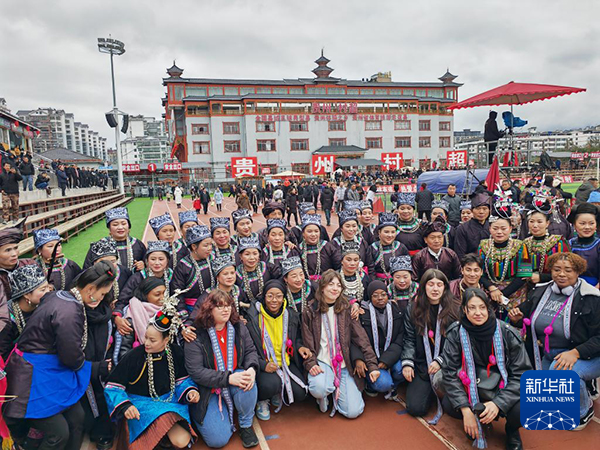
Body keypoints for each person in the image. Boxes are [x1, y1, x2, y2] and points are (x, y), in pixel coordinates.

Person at [4, 262, 117, 450]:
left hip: (47, 372)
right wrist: (96, 367)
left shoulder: (62, 296)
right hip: (34, 376)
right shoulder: (69, 310)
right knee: (59, 433)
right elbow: (71, 358)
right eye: (103, 293)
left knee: (78, 418)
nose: (103, 298)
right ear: (90, 289)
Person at [509, 252, 600, 429]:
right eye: (557, 269)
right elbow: (526, 316)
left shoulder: (591, 298)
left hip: (587, 354)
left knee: (564, 375)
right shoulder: (541, 291)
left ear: (578, 272)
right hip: (551, 353)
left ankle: (584, 408)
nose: (561, 274)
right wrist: (516, 318)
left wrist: (575, 353)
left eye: (568, 270)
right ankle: (582, 384)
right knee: (545, 402)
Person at [443, 288, 530, 450]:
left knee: (525, 408)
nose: (478, 313)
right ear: (464, 310)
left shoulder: (507, 333)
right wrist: (465, 410)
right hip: (471, 386)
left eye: (482, 307)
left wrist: (498, 403)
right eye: (472, 308)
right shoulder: (456, 333)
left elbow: (523, 374)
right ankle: (477, 417)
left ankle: (511, 430)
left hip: (502, 387)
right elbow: (448, 373)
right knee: (450, 405)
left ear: (489, 309)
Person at [105, 304, 199, 450]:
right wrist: (125, 405)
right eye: (146, 338)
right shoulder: (133, 357)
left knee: (182, 440)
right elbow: (113, 387)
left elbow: (182, 380)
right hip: (141, 404)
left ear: (166, 340)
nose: (147, 343)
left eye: (153, 340)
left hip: (170, 402)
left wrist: (190, 392)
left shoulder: (176, 352)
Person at [184, 289, 260, 448]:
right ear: (209, 309)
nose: (225, 309)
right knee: (218, 441)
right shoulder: (195, 333)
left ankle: (245, 425)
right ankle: (210, 413)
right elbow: (196, 371)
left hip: (234, 377)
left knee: (247, 380)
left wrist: (252, 369)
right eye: (219, 306)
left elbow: (251, 351)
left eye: (228, 305)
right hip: (208, 389)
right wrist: (227, 379)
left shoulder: (238, 326)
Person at [302, 270, 380, 418]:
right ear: (322, 287)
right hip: (322, 361)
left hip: (343, 363)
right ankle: (324, 392)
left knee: (353, 412)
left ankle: (336, 389)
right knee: (319, 388)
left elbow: (361, 338)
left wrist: (372, 365)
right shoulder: (310, 310)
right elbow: (307, 341)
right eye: (331, 284)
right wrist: (311, 363)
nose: (335, 288)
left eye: (338, 285)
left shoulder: (347, 308)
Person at [245, 279, 310, 420]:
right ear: (264, 297)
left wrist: (300, 347)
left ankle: (278, 390)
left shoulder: (290, 315)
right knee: (270, 385)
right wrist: (263, 365)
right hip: (263, 363)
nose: (274, 300)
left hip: (285, 362)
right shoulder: (253, 317)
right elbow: (248, 348)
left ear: (284, 297)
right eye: (270, 296)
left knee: (300, 393)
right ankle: (263, 399)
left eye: (279, 296)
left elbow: (297, 337)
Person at [401, 269, 459, 421]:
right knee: (415, 408)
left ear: (445, 288)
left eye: (439, 285)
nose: (435, 289)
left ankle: (444, 391)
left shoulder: (455, 309)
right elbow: (409, 339)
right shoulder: (413, 309)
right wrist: (407, 362)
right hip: (424, 365)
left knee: (453, 406)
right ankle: (428, 390)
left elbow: (458, 344)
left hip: (449, 363)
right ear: (423, 287)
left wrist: (441, 360)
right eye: (431, 284)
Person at [478, 192, 526, 317]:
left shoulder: (520, 245)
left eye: (503, 229)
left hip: (515, 294)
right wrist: (492, 288)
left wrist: (503, 294)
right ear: (489, 229)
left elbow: (524, 274)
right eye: (495, 228)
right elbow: (479, 271)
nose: (499, 232)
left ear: (510, 229)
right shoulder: (483, 245)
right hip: (490, 293)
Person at [359, 280, 405, 398]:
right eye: (375, 295)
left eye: (383, 294)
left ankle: (393, 384)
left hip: (390, 355)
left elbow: (399, 339)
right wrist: (374, 363)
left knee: (402, 370)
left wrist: (386, 360)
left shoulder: (395, 310)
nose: (380, 298)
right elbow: (361, 342)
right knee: (383, 384)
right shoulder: (362, 313)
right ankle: (371, 383)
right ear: (369, 297)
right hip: (372, 358)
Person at [516, 193, 570, 289]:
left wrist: (542, 277)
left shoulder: (558, 242)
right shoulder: (525, 243)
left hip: (555, 286)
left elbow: (566, 269)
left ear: (547, 223)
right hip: (529, 288)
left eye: (539, 222)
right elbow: (523, 271)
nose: (535, 225)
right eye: (531, 221)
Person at [0, 265, 53, 361]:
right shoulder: (6, 319)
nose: (48, 291)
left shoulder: (44, 304)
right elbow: (4, 355)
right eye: (43, 289)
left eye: (47, 287)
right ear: (27, 295)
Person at [112, 276, 167, 362]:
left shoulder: (165, 312)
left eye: (164, 293)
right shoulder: (131, 316)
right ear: (145, 295)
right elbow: (124, 351)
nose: (162, 298)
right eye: (157, 294)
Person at [116, 241, 173, 322]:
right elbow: (123, 300)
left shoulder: (173, 276)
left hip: (165, 314)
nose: (157, 263)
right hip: (139, 315)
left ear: (167, 261)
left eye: (161, 259)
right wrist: (117, 316)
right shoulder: (137, 278)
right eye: (153, 259)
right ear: (147, 261)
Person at [83, 207, 147, 272]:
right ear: (109, 228)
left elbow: (149, 264)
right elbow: (87, 270)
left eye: (123, 223)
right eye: (115, 224)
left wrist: (143, 264)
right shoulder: (99, 246)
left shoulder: (138, 244)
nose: (120, 227)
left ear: (128, 226)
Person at [0, 225, 37, 333]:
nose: (14, 254)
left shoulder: (30, 264)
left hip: (34, 317)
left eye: (16, 248)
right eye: (7, 250)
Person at [171, 225, 216, 313]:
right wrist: (184, 315)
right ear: (194, 247)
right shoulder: (183, 266)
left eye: (211, 244)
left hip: (215, 306)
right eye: (206, 245)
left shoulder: (213, 259)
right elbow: (177, 293)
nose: (210, 248)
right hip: (193, 310)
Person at [323, 209, 374, 274]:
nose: (351, 229)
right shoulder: (333, 244)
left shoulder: (362, 243)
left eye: (354, 226)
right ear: (341, 228)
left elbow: (370, 264)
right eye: (347, 226)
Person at [236, 236, 281, 306]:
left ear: (259, 255)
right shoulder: (236, 274)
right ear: (241, 256)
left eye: (255, 253)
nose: (252, 258)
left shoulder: (268, 268)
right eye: (247, 254)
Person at [567, 202, 600, 287]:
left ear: (596, 225)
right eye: (582, 223)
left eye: (591, 223)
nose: (587, 227)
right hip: (571, 287)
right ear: (574, 225)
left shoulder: (598, 245)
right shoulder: (568, 244)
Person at [370, 212, 409, 282]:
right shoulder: (373, 248)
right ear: (379, 232)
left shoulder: (401, 247)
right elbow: (371, 270)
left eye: (393, 232)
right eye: (386, 232)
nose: (390, 235)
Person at [454, 193, 491, 259]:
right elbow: (460, 253)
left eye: (485, 209)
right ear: (472, 210)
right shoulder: (463, 229)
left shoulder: (492, 227)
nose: (481, 212)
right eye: (478, 208)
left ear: (489, 211)